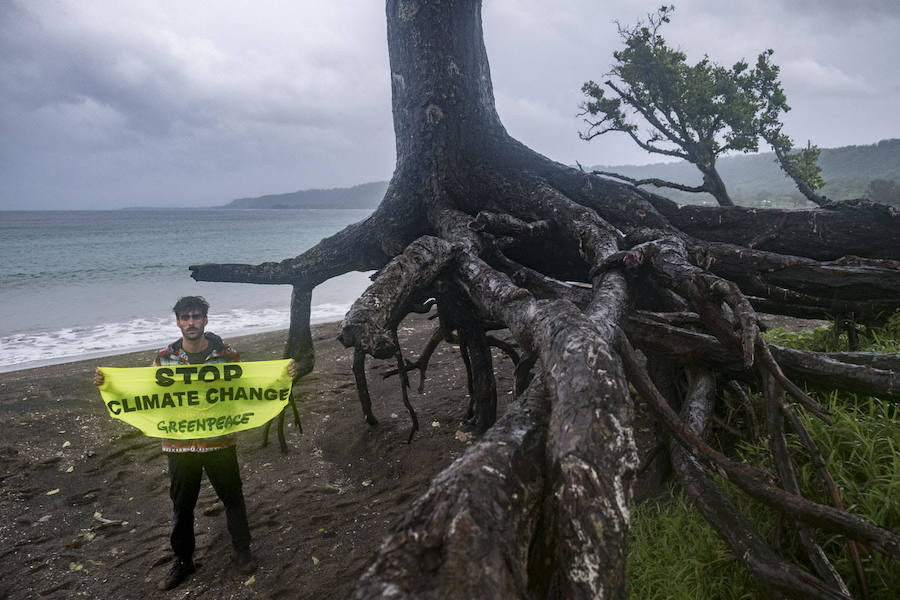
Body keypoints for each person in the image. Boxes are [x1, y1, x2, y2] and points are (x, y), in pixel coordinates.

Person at [94, 296, 296, 590]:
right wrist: (109, 384)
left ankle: (242, 551)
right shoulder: (164, 359)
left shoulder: (227, 356)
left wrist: (281, 377)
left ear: (205, 320)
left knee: (233, 498)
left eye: (196, 316)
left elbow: (250, 388)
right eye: (185, 317)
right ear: (178, 321)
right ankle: (183, 560)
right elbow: (146, 393)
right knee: (182, 505)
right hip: (180, 444)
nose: (191, 322)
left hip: (220, 441)